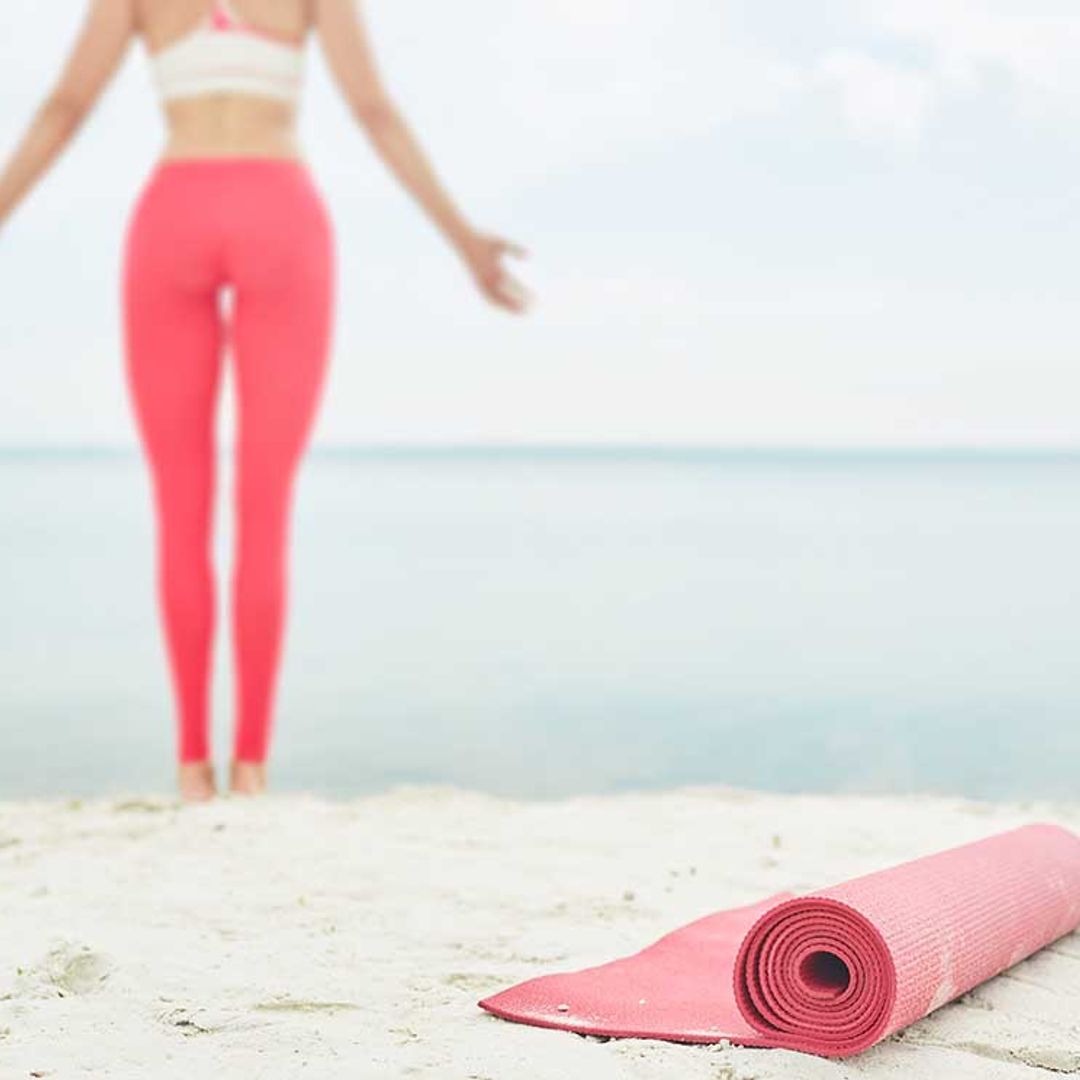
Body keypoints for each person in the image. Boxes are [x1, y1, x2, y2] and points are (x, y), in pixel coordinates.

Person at [0, 0, 529, 801]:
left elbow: (64, 109)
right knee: (264, 512)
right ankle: (250, 768)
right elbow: (376, 112)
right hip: (280, 212)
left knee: (180, 512)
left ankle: (192, 767)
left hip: (172, 215)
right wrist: (465, 242)